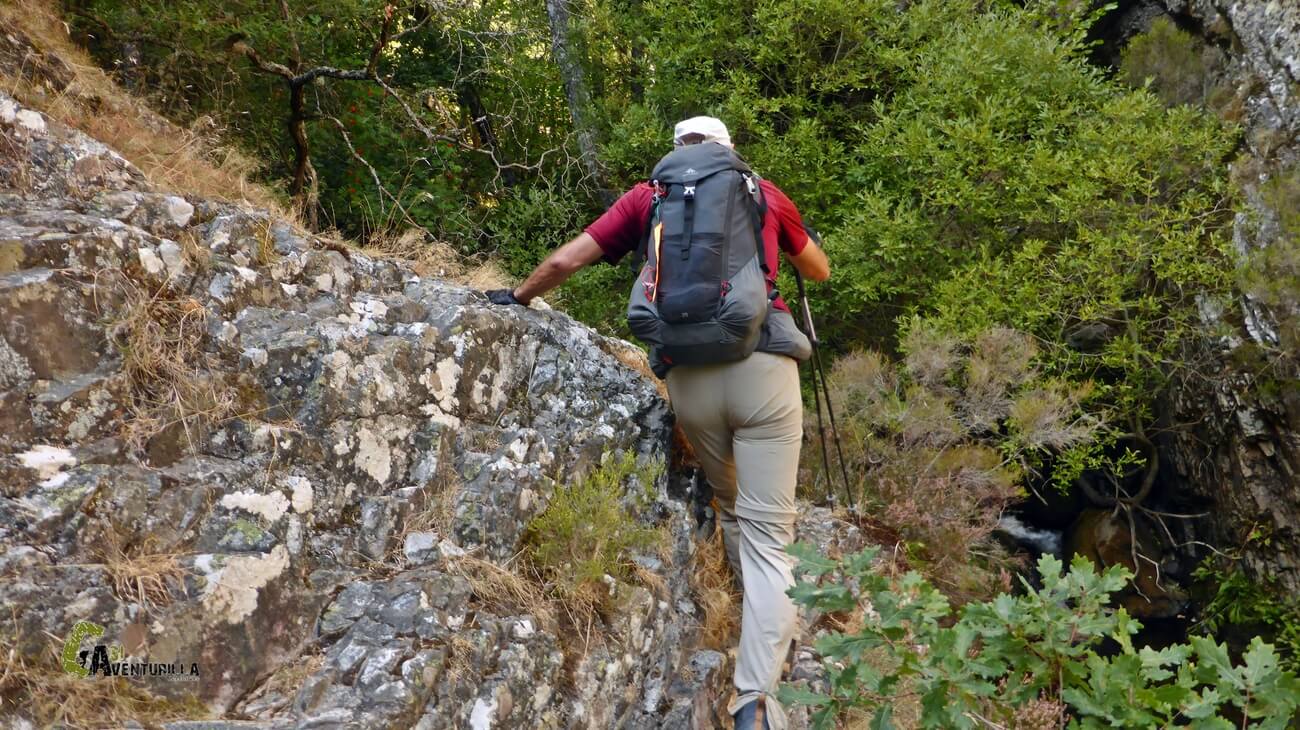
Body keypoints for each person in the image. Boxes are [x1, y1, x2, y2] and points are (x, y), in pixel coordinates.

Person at [486, 116, 830, 730]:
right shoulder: (761, 191)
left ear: (677, 151)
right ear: (728, 149)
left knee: (729, 500)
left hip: (689, 380)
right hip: (762, 373)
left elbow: (570, 258)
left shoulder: (650, 197)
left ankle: (748, 604)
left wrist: (517, 296)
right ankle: (755, 697)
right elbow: (818, 270)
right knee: (771, 538)